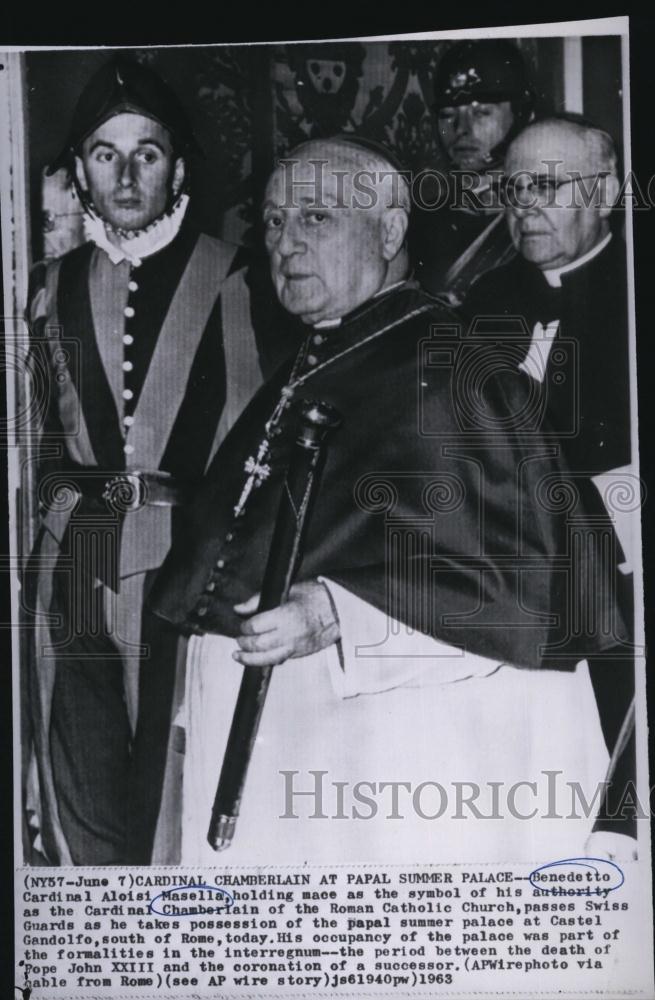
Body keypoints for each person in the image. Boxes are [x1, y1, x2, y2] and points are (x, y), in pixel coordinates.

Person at [148, 135, 623, 865]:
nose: (284, 242)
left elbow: (508, 589)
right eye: (273, 222)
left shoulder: (451, 365)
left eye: (316, 218)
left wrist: (338, 611)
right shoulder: (313, 358)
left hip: (380, 758)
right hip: (281, 747)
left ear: (390, 230)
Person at [25, 56, 268, 865]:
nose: (126, 174)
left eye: (147, 153)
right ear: (81, 174)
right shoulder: (47, 289)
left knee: (174, 771)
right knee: (80, 768)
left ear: (178, 167)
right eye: (105, 153)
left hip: (189, 558)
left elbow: (258, 445)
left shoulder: (238, 276)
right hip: (76, 557)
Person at [463, 115, 636, 859]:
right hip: (497, 590)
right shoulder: (479, 300)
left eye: (546, 185)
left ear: (603, 190)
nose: (522, 204)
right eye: (511, 187)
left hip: (611, 586)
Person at [411, 39, 535, 304]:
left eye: (481, 113)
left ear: (523, 115)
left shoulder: (542, 216)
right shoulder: (415, 220)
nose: (461, 129)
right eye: (447, 114)